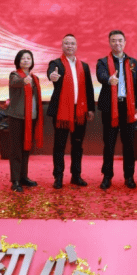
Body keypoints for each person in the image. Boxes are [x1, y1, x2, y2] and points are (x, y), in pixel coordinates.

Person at [46, 34, 95, 189]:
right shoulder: (56, 64)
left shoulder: (84, 66)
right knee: (59, 146)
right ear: (62, 46)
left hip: (80, 111)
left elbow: (89, 88)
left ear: (76, 46)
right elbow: (51, 73)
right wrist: (52, 76)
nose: (69, 46)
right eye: (66, 43)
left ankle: (76, 175)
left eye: (72, 43)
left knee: (77, 145)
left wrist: (91, 108)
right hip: (61, 111)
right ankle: (58, 177)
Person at [96, 30, 137, 190]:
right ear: (110, 43)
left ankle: (129, 176)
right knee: (109, 144)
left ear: (125, 42)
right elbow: (100, 75)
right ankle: (107, 176)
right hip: (110, 108)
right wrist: (109, 79)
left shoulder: (133, 63)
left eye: (120, 40)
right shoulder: (103, 62)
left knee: (129, 144)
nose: (117, 43)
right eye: (114, 40)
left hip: (128, 108)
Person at [6, 49, 42, 193]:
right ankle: (15, 180)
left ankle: (23, 177)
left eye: (28, 58)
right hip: (17, 117)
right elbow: (15, 83)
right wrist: (24, 81)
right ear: (18, 61)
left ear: (32, 61)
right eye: (23, 58)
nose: (26, 60)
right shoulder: (14, 75)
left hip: (31, 118)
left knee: (26, 148)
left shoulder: (35, 78)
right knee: (16, 150)